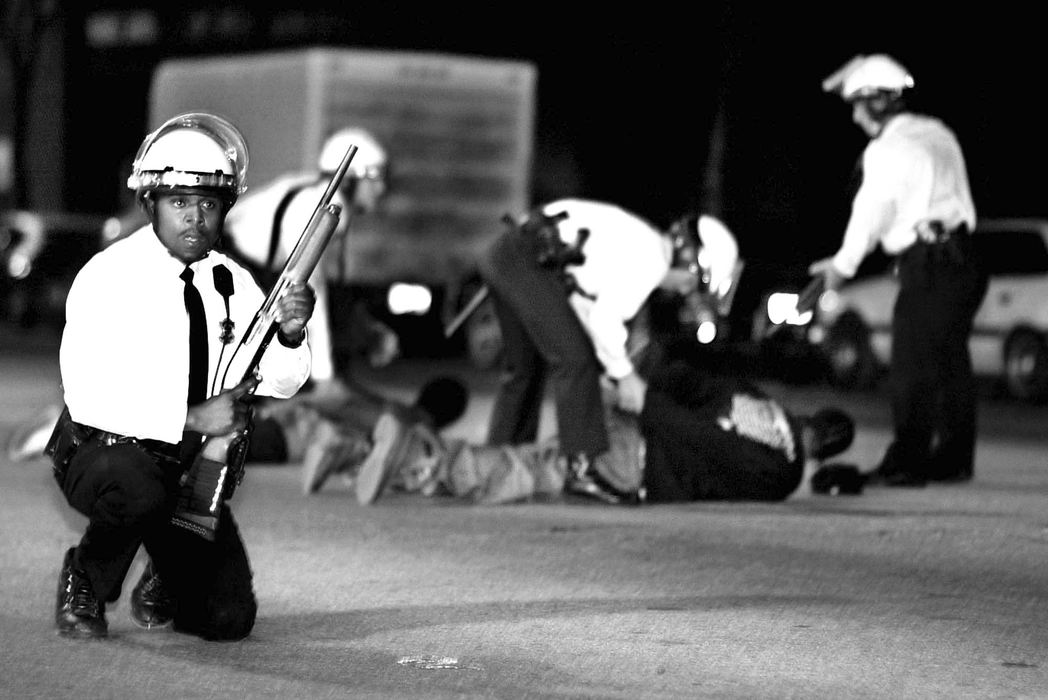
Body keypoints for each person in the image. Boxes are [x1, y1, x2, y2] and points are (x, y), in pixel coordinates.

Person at [49, 112, 317, 640]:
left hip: (194, 478)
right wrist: (191, 416)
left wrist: (289, 334)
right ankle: (86, 577)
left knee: (226, 620)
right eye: (179, 202)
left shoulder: (233, 282)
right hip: (104, 453)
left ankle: (167, 568)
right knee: (136, 482)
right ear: (150, 203)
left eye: (208, 204)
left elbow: (279, 383)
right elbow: (88, 396)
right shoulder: (107, 276)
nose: (194, 218)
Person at [476, 199, 739, 504]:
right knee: (575, 362)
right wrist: (625, 376)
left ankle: (496, 462)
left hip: (506, 252)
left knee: (525, 369)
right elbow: (602, 321)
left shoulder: (640, 242)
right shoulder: (651, 260)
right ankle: (583, 469)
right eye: (695, 282)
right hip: (524, 258)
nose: (686, 291)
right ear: (690, 259)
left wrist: (609, 370)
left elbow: (585, 312)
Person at [811, 54, 988, 487]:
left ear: (878, 102)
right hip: (967, 260)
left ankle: (908, 459)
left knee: (911, 361)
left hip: (928, 264)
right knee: (949, 359)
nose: (854, 115)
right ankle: (953, 457)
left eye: (858, 104)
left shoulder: (887, 149)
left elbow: (870, 212)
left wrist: (841, 266)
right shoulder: (938, 133)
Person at [349, 359, 858, 506]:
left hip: (629, 423)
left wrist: (640, 388)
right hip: (638, 462)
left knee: (530, 457)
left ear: (812, 416)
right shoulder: (784, 472)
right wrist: (654, 409)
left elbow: (695, 381)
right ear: (823, 452)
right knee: (529, 469)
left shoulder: (762, 401)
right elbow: (709, 445)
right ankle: (419, 462)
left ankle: (357, 453)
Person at [223, 126, 398, 394]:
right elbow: (310, 288)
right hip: (239, 272)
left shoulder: (310, 189)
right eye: (374, 178)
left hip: (248, 269)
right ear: (350, 180)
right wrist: (323, 377)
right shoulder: (316, 207)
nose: (381, 188)